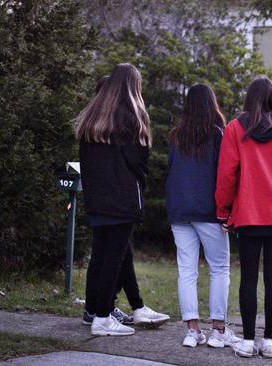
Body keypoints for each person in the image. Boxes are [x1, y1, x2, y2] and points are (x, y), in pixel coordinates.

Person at [76, 63, 170, 336]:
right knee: (113, 259)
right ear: (133, 86)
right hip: (123, 199)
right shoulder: (132, 120)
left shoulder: (92, 119)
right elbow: (139, 163)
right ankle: (103, 317)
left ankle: (96, 311)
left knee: (102, 256)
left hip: (97, 197)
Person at [215, 76, 272, 358]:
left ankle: (249, 342)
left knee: (248, 278)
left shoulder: (235, 129)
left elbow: (226, 174)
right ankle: (270, 342)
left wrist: (223, 210)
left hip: (249, 214)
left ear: (249, 98)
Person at [166, 84, 241, 348]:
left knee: (186, 270)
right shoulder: (217, 135)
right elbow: (225, 176)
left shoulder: (176, 136)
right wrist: (227, 209)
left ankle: (192, 331)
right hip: (209, 211)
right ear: (212, 104)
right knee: (219, 268)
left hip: (179, 210)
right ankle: (218, 331)